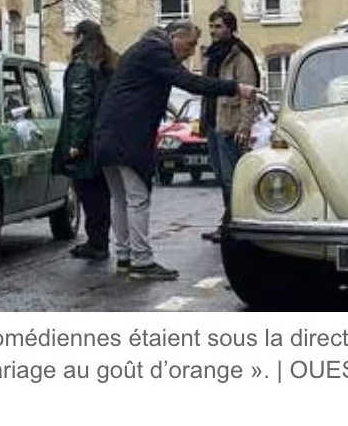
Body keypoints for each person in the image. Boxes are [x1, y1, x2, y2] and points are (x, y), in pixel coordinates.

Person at [92, 21, 257, 280]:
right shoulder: (156, 51)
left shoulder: (142, 49)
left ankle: (125, 256)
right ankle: (142, 260)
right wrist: (235, 88)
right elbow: (190, 82)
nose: (191, 52)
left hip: (106, 133)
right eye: (189, 44)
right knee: (137, 199)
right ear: (174, 36)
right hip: (128, 136)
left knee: (121, 199)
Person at [50, 20, 118, 261]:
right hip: (103, 137)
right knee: (101, 193)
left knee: (88, 193)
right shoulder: (106, 63)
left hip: (87, 142)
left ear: (80, 37)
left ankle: (97, 243)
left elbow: (80, 106)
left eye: (74, 36)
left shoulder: (81, 66)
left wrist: (75, 143)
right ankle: (100, 241)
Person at [202, 7, 261, 244]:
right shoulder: (211, 54)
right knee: (221, 177)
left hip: (230, 126)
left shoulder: (240, 56)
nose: (213, 31)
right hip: (213, 123)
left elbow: (249, 94)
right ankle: (228, 222)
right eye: (212, 27)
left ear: (230, 28)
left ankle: (233, 225)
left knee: (232, 180)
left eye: (218, 27)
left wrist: (245, 127)